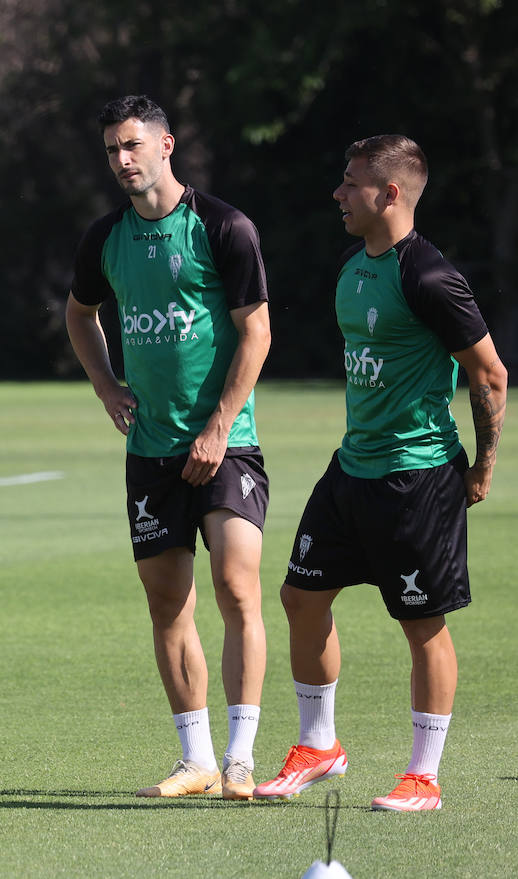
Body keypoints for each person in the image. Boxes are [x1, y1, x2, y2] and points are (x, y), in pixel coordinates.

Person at [253, 135, 505, 811]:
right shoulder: (351, 267)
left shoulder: (428, 277)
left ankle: (423, 775)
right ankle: (319, 746)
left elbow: (489, 374)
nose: (339, 193)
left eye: (351, 183)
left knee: (422, 624)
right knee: (301, 597)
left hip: (417, 477)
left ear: (390, 193)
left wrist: (480, 468)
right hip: (351, 469)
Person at [66, 95, 273, 800]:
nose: (122, 160)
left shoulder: (224, 227)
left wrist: (219, 425)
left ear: (165, 144)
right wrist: (105, 385)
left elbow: (257, 332)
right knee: (167, 605)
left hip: (228, 444)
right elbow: (79, 312)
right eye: (111, 150)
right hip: (150, 449)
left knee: (237, 587)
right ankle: (197, 759)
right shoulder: (104, 238)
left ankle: (241, 756)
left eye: (131, 145)